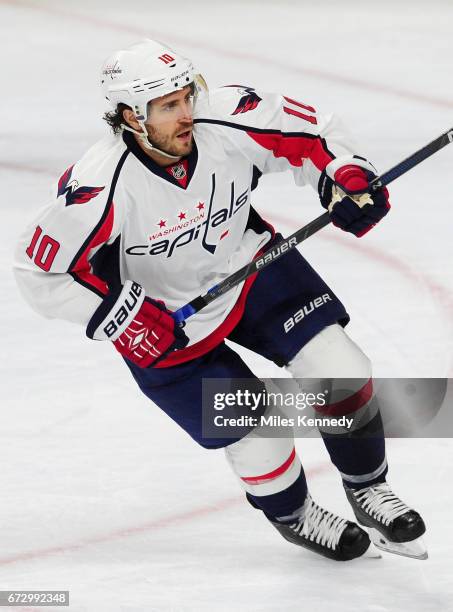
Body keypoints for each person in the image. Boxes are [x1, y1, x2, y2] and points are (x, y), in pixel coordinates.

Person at [14, 39, 427, 561]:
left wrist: (344, 176)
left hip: (248, 265)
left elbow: (312, 132)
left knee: (341, 368)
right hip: (162, 318)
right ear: (129, 117)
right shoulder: (100, 185)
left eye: (187, 95)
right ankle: (296, 515)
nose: (187, 113)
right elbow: (39, 270)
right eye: (167, 106)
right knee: (258, 432)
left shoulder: (226, 118)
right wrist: (121, 318)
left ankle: (367, 487)